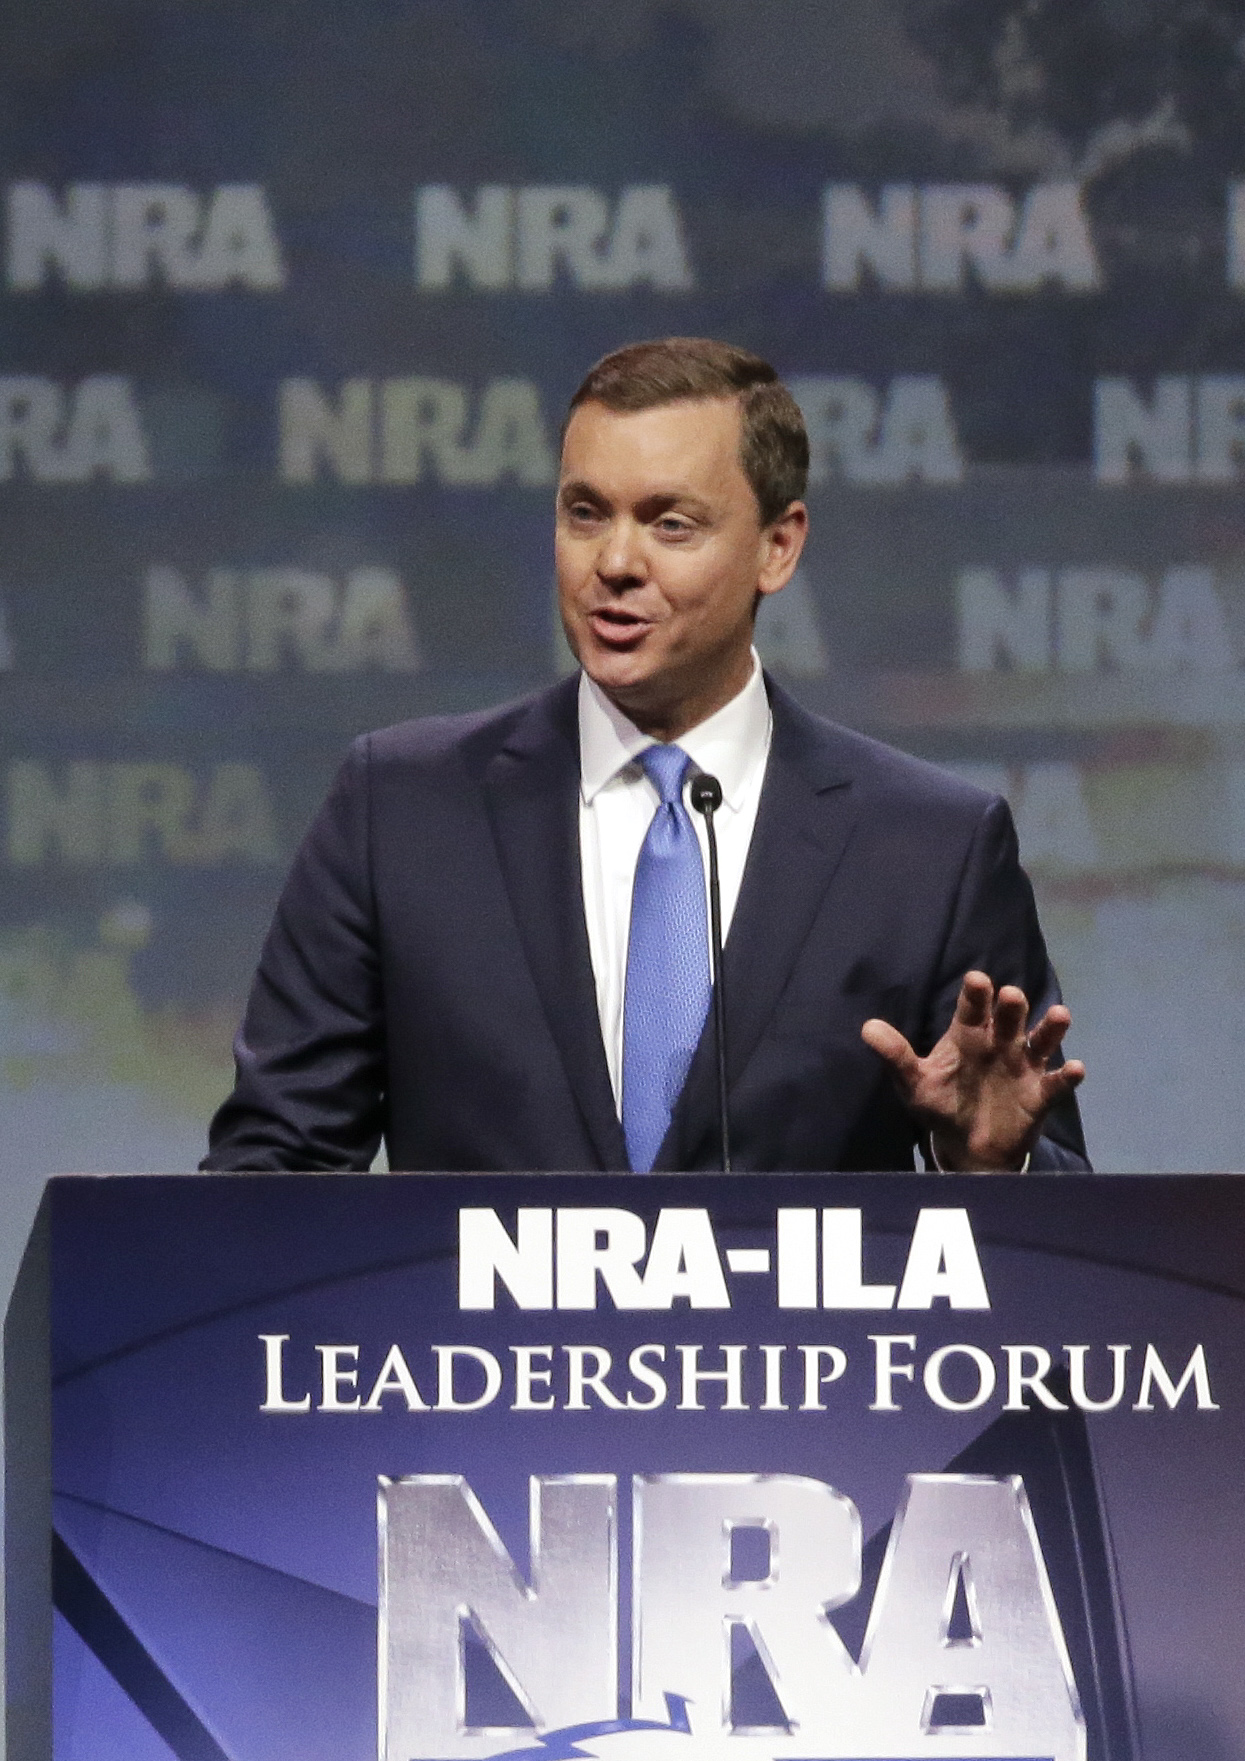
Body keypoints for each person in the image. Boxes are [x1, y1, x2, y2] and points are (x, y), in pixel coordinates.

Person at [203, 336, 1086, 1176]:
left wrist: (989, 1167)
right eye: (585, 513)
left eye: (670, 523)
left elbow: (1059, 1223)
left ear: (777, 547)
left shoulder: (930, 849)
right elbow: (268, 1175)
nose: (615, 562)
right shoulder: (401, 810)